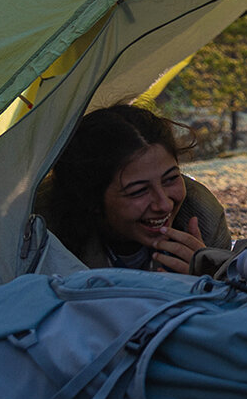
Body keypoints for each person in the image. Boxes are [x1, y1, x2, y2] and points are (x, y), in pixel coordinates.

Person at [38, 105, 235, 274]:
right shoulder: (45, 239)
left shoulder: (202, 216)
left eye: (171, 179)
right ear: (91, 198)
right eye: (138, 191)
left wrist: (212, 281)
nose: (164, 204)